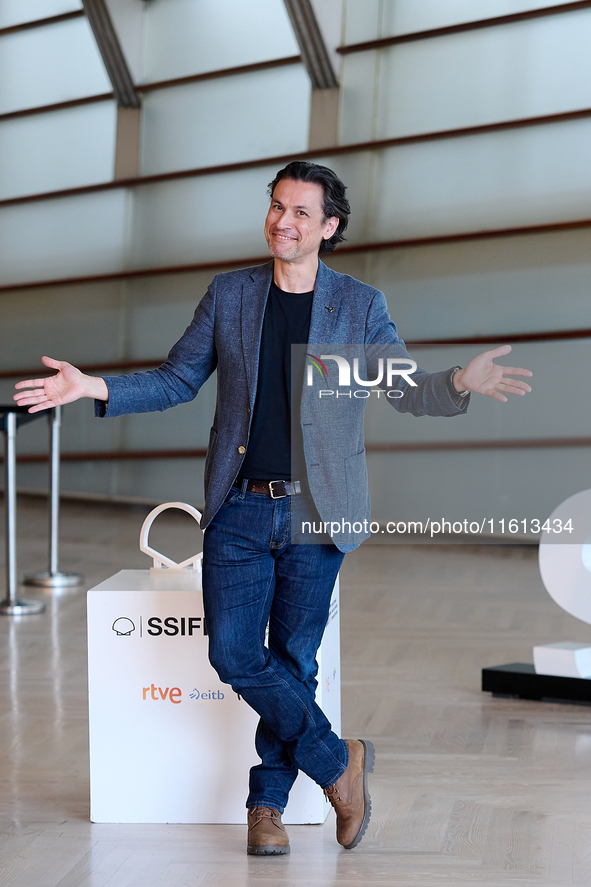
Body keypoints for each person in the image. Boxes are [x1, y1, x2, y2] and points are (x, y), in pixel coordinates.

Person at [14, 160, 532, 855]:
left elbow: (404, 388)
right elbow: (176, 379)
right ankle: (335, 759)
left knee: (294, 661)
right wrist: (93, 386)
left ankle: (266, 805)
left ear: (328, 226)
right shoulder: (231, 295)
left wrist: (455, 382)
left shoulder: (357, 306)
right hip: (239, 509)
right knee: (232, 652)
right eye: (275, 207)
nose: (281, 221)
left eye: (298, 212)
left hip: (318, 512)